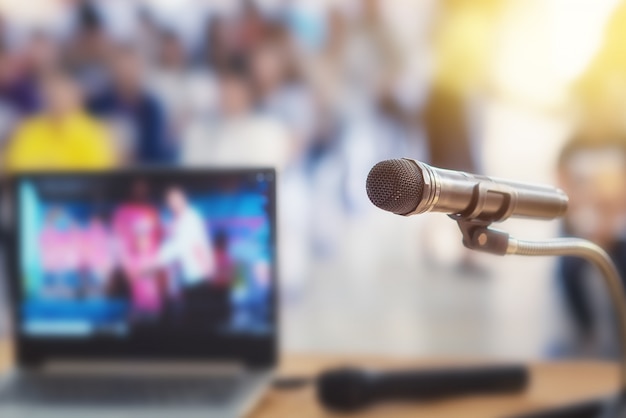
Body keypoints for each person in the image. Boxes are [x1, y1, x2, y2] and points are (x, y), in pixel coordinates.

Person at [557, 136, 626, 358]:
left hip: (616, 226)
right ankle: (584, 329)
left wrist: (608, 224)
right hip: (583, 224)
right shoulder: (572, 145)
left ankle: (620, 328)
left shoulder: (620, 140)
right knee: (570, 268)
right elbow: (562, 190)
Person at [182, 56, 290, 169]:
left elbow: (268, 179)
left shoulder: (270, 132)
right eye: (224, 84)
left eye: (235, 86)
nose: (228, 93)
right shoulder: (199, 130)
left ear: (249, 90)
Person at [4, 69, 116, 172]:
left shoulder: (95, 131)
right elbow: (15, 166)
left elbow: (98, 172)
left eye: (64, 94)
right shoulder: (29, 128)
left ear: (79, 98)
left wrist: (51, 165)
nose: (58, 99)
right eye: (53, 94)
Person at [88, 43, 175, 164]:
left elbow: (157, 151)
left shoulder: (152, 107)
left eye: (132, 67)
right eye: (121, 67)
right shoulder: (97, 104)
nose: (126, 73)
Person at [156, 187, 220, 326]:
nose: (174, 204)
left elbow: (188, 247)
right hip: (184, 279)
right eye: (171, 201)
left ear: (183, 200)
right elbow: (170, 248)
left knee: (199, 318)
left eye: (176, 200)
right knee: (187, 317)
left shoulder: (190, 218)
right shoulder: (174, 220)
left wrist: (208, 269)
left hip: (198, 276)